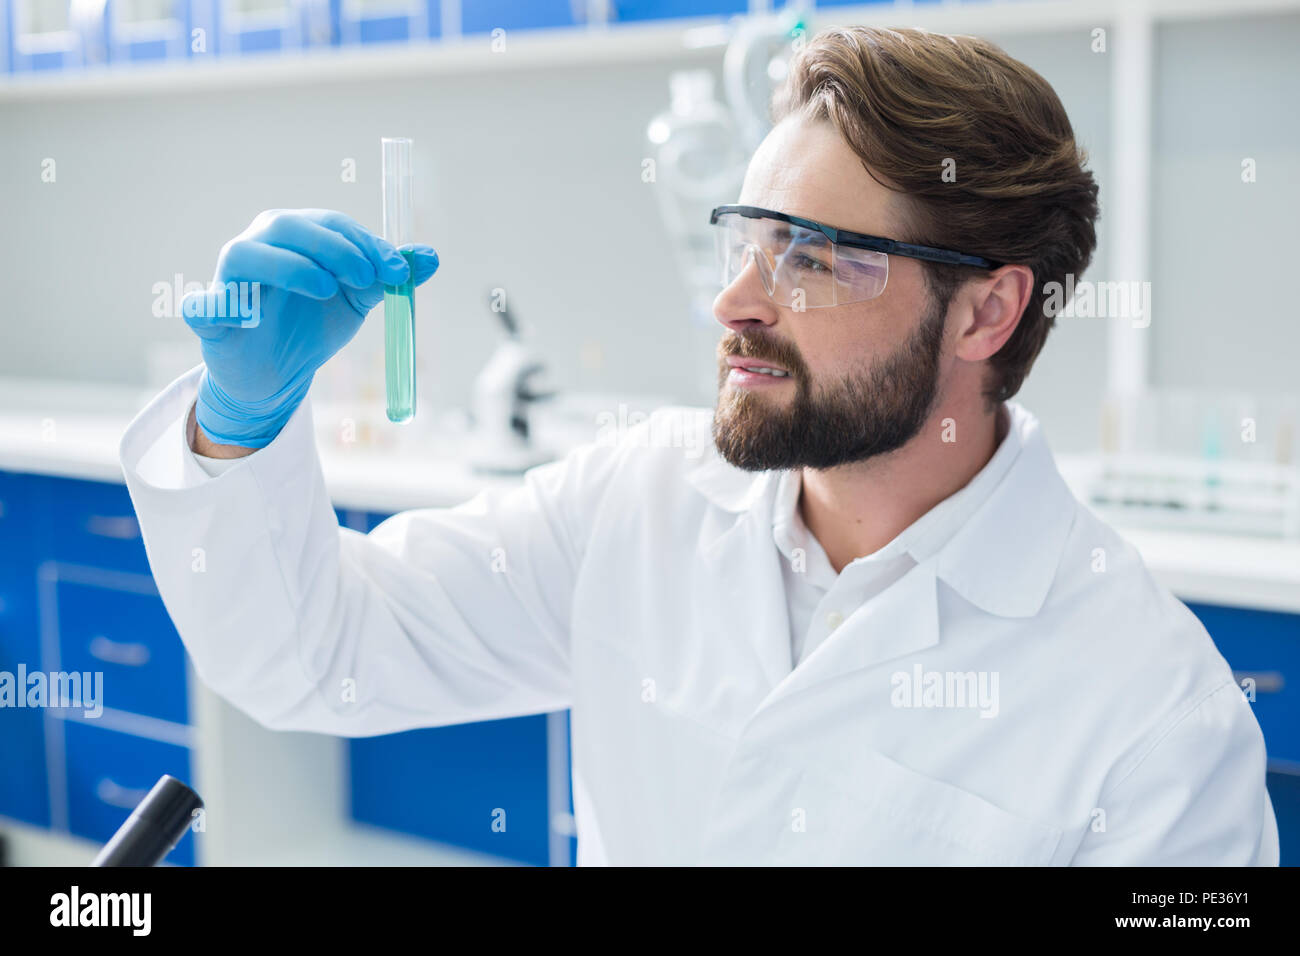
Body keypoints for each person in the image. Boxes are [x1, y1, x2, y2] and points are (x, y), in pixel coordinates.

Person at [119, 25, 1278, 865]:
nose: (734, 299)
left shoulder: (1156, 713)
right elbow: (315, 656)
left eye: (812, 255)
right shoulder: (637, 502)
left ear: (985, 311)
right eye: (748, 237)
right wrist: (240, 426)